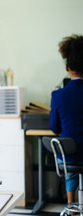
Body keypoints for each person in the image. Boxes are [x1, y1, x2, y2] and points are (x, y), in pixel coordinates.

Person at [50, 34, 83, 205]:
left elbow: (55, 128)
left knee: (70, 157)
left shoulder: (58, 95)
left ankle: (71, 206)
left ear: (66, 67)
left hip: (68, 157)